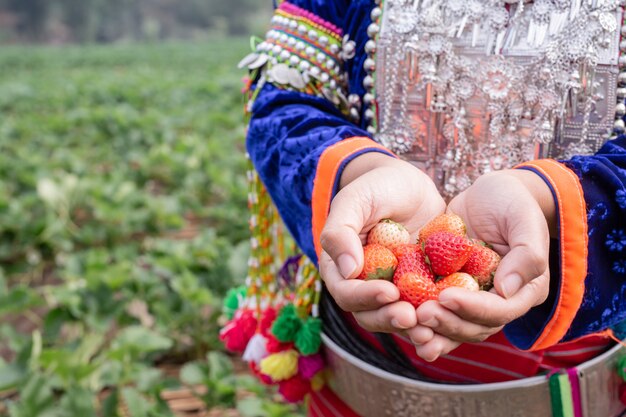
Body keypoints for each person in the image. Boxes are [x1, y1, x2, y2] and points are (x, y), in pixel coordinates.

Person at [235, 0, 626, 415]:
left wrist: (545, 198)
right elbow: (282, 99)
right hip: (366, 341)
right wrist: (363, 173)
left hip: (589, 363)